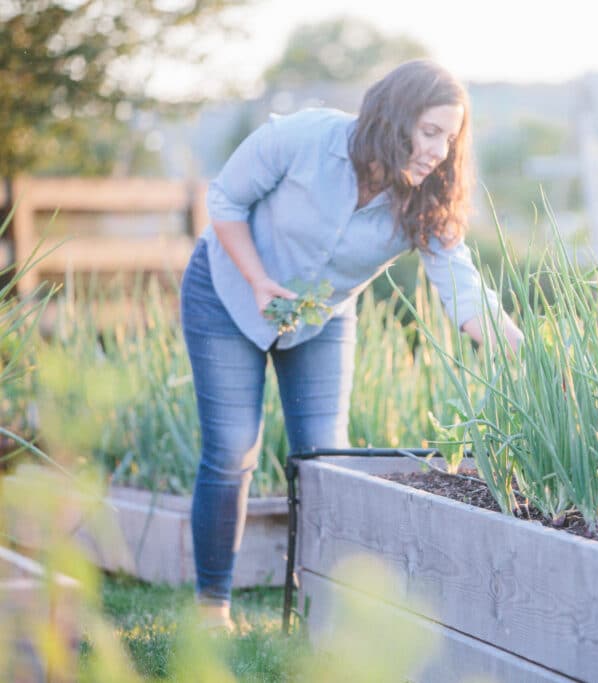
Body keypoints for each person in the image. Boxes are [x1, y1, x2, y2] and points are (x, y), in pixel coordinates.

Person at [180, 59, 523, 630]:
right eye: (430, 131)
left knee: (327, 460)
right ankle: (212, 607)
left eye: (450, 138)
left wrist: (523, 353)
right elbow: (225, 201)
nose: (439, 151)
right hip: (228, 293)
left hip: (320, 318)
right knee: (233, 447)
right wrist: (260, 280)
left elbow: (464, 291)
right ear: (393, 120)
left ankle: (319, 608)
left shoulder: (426, 201)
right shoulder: (304, 139)